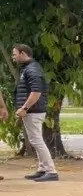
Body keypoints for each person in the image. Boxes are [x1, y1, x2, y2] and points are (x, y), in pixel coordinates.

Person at [12, 44, 58, 182]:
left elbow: (36, 92)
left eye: (14, 54)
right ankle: (42, 168)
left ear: (23, 53)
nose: (13, 56)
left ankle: (51, 171)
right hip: (33, 111)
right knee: (35, 140)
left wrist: (24, 108)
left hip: (33, 111)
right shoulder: (29, 68)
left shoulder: (31, 69)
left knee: (37, 141)